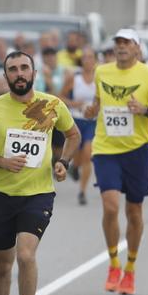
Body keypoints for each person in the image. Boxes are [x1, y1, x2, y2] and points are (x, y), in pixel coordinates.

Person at [0, 51, 79, 295]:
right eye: (13, 70)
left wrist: (63, 162)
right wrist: (2, 161)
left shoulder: (51, 105)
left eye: (24, 68)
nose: (19, 74)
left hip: (38, 194)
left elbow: (72, 135)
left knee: (26, 254)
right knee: (3, 264)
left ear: (34, 73)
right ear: (5, 76)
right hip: (1, 196)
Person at [82, 29, 148, 295]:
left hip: (136, 150)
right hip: (106, 148)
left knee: (134, 212)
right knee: (110, 207)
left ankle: (130, 269)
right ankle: (113, 263)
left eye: (126, 43)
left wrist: (144, 110)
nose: (121, 47)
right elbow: (99, 102)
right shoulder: (102, 72)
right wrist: (92, 110)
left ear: (137, 48)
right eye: (117, 42)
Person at [61, 48, 98, 205]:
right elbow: (60, 96)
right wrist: (74, 103)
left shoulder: (99, 78)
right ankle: (75, 167)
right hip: (76, 120)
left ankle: (82, 191)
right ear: (81, 61)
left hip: (93, 121)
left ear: (95, 59)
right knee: (78, 154)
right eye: (85, 57)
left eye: (90, 57)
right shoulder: (74, 79)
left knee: (88, 154)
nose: (87, 60)